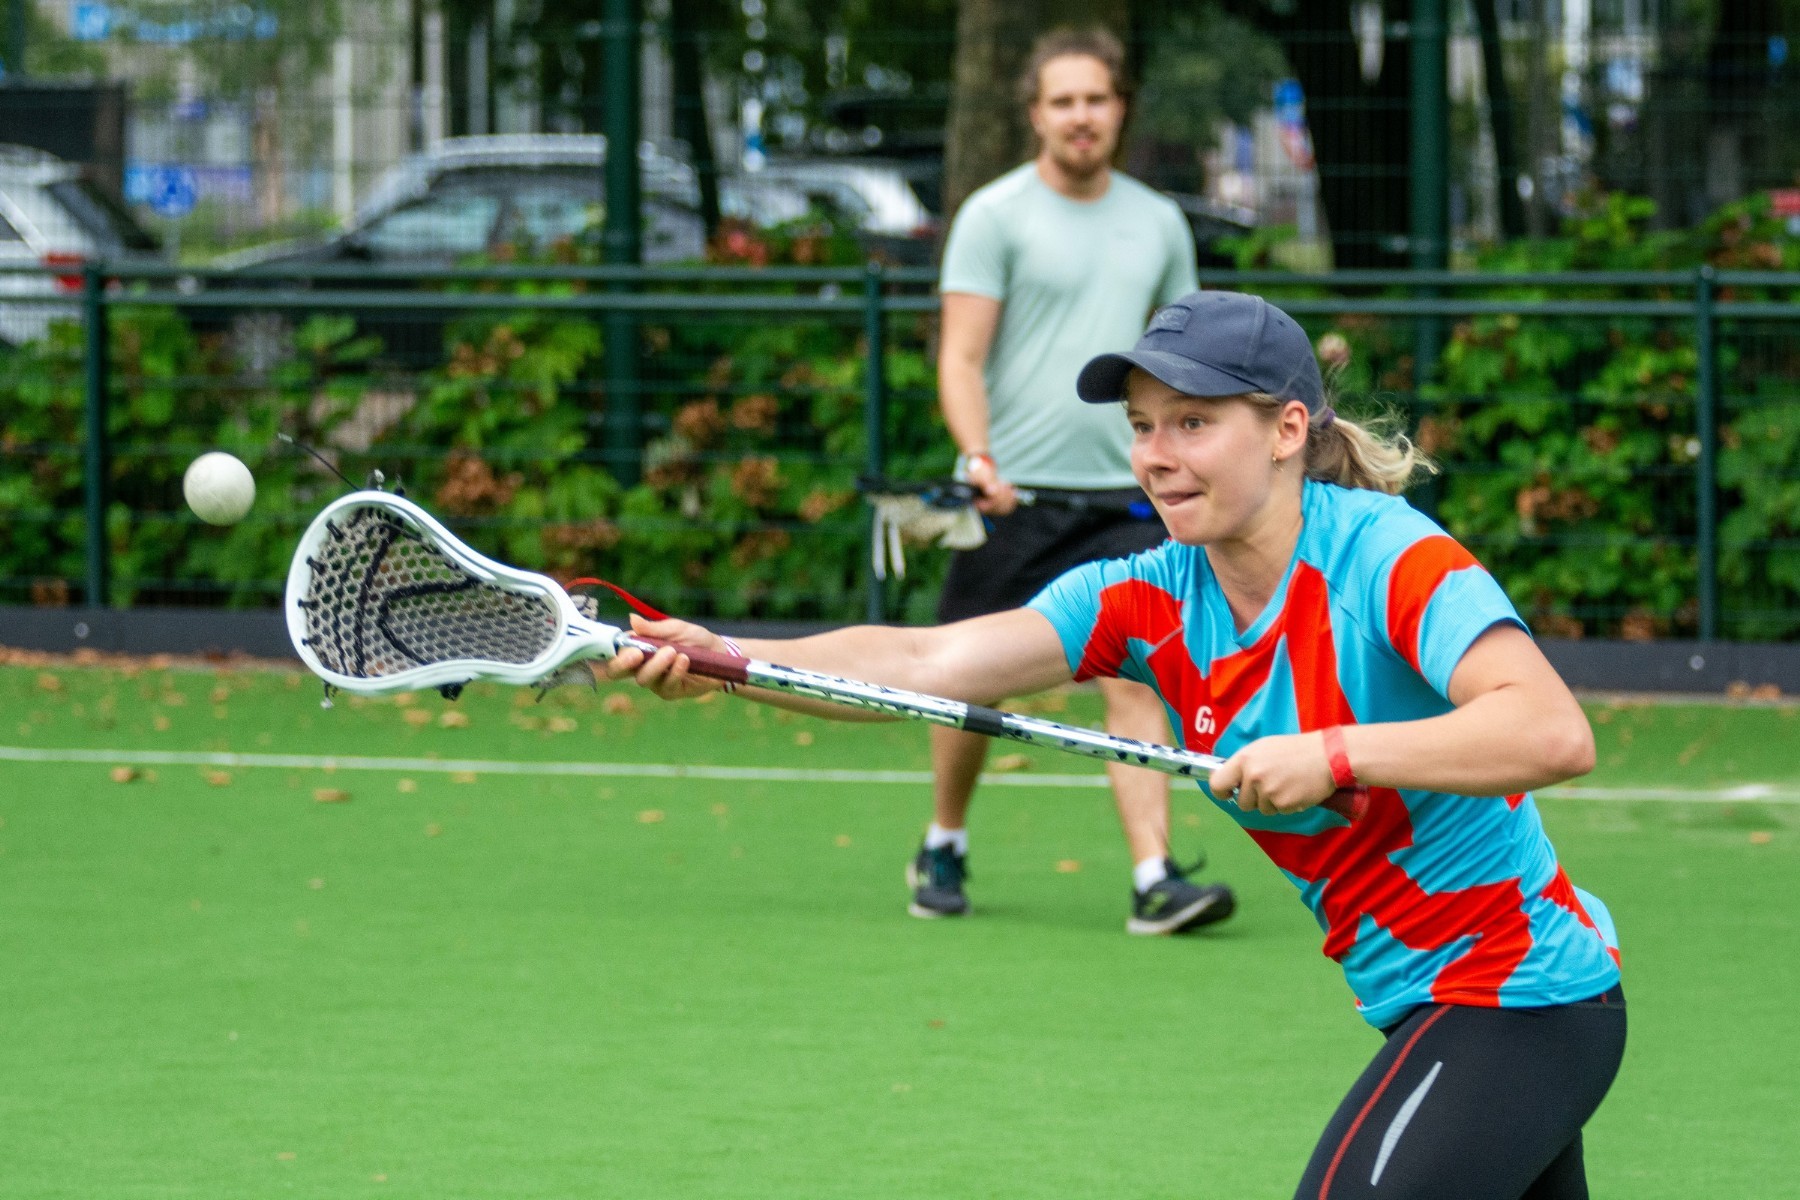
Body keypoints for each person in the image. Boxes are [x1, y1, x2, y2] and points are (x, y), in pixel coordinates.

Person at [608, 290, 1627, 1200]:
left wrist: (1334, 754)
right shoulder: (1145, 596)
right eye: (1142, 426)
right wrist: (734, 658)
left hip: (1516, 995)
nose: (1156, 454)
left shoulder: (1386, 556)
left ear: (1285, 429)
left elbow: (1548, 729)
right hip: (1429, 1000)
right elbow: (926, 661)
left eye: (1193, 422)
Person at [927, 25, 1227, 933]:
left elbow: (1183, 364)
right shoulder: (994, 216)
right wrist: (979, 459)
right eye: (1063, 101)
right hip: (1012, 497)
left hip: (1128, 501)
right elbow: (960, 357)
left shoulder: (1159, 222)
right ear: (1036, 114)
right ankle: (943, 842)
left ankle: (1154, 877)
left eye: (1096, 98)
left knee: (1136, 676)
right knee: (967, 681)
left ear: (1120, 107)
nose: (1081, 115)